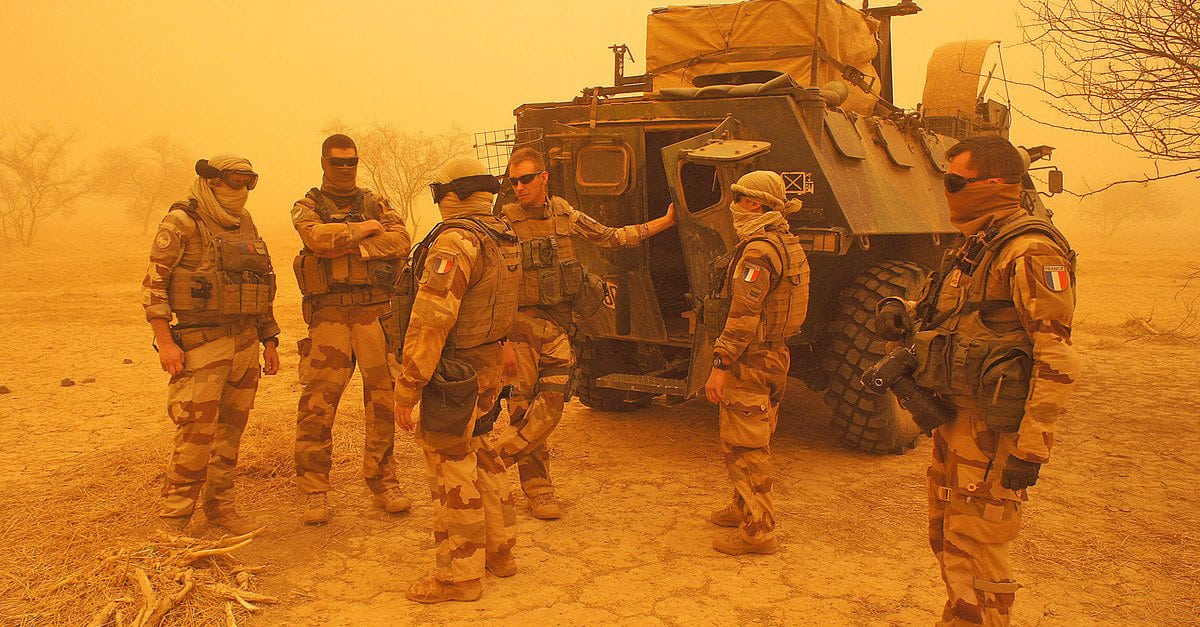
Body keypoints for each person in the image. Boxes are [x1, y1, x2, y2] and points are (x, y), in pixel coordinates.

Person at [874, 135, 1079, 625]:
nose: (946, 192)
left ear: (992, 184)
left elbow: (1057, 357)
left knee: (979, 543)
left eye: (953, 181)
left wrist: (1030, 449)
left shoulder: (1028, 251)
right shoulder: (976, 247)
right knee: (948, 534)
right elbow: (964, 319)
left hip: (992, 432)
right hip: (957, 422)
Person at [495, 146, 676, 519]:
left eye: (526, 179)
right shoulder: (504, 222)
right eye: (514, 182)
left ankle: (498, 457)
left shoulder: (565, 214)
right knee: (521, 409)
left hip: (559, 326)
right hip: (520, 329)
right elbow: (492, 285)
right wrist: (500, 343)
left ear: (543, 177)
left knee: (551, 405)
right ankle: (539, 490)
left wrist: (666, 222)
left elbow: (613, 237)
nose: (519, 187)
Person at [394, 156, 521, 603]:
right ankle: (500, 552)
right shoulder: (502, 236)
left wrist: (408, 385)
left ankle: (459, 576)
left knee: (452, 471)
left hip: (453, 374)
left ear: (447, 193)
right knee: (486, 454)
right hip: (484, 367)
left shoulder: (455, 242)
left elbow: (431, 321)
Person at [142, 153, 280, 535]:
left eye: (249, 182)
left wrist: (270, 340)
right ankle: (174, 518)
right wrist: (165, 342)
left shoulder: (245, 223)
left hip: (245, 343)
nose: (242, 191)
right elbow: (154, 287)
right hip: (202, 344)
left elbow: (260, 282)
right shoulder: (182, 222)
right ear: (212, 180)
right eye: (234, 181)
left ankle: (221, 508)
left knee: (230, 434)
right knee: (194, 435)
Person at [291, 134, 412, 525]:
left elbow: (400, 240)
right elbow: (315, 237)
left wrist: (354, 247)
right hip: (328, 317)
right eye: (337, 162)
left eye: (351, 162)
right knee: (318, 404)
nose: (345, 169)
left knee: (383, 402)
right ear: (324, 163)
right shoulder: (307, 204)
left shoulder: (375, 201)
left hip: (374, 313)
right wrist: (366, 231)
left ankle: (383, 480)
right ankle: (314, 490)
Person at [702, 171, 808, 556]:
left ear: (757, 205)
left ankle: (758, 531)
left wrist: (720, 363)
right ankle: (742, 506)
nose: (734, 207)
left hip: (751, 358)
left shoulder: (758, 252)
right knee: (752, 437)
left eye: (741, 200)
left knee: (746, 447)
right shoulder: (786, 242)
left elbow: (744, 314)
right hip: (775, 354)